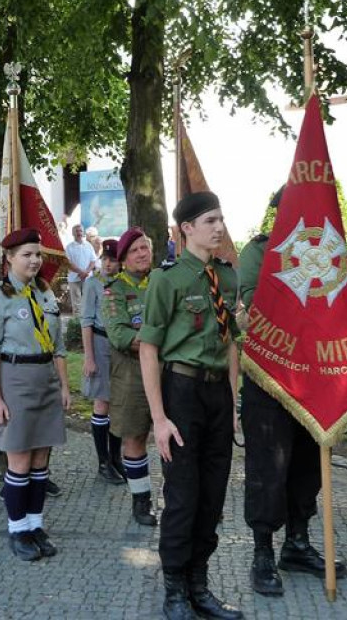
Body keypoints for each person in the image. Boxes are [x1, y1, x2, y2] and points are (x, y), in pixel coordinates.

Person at [139, 192, 243, 620]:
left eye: (221, 219)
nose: (219, 227)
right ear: (186, 229)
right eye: (210, 220)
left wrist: (234, 403)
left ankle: (200, 584)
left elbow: (230, 341)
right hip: (181, 392)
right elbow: (149, 349)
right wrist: (160, 419)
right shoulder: (167, 280)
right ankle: (175, 589)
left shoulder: (227, 277)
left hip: (218, 395)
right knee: (183, 495)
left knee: (213, 494)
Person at [238, 187, 346, 597]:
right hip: (270, 377)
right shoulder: (259, 252)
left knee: (307, 466)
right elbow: (255, 304)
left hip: (315, 378)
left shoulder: (333, 253)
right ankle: (263, 552)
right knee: (268, 469)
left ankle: (297, 544)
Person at [0, 228, 69, 562]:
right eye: (26, 255)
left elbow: (58, 346)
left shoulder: (45, 293)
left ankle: (35, 525)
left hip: (45, 379)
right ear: (9, 259)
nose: (34, 260)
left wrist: (63, 385)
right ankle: (17, 529)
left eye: (37, 254)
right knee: (19, 461)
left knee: (40, 461)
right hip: (14, 380)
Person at [104, 227, 159, 526]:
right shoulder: (115, 291)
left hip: (167, 375)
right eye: (135, 250)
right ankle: (141, 501)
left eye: (146, 247)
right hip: (131, 377)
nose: (142, 254)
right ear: (123, 258)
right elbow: (120, 334)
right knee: (135, 438)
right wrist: (161, 339)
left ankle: (179, 498)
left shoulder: (162, 283)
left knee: (174, 437)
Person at [81, 238, 124, 485]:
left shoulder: (123, 283)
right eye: (105, 259)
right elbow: (86, 320)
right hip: (99, 342)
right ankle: (102, 462)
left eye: (113, 259)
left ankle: (116, 458)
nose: (108, 264)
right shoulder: (92, 283)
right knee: (102, 404)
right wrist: (89, 357)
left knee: (118, 404)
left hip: (120, 346)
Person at [65, 223, 95, 315]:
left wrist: (86, 272)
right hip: (74, 279)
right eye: (76, 231)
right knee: (77, 305)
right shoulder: (69, 247)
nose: (79, 233)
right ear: (73, 233)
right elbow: (68, 263)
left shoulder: (89, 245)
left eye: (80, 230)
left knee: (89, 302)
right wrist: (81, 272)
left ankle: (89, 324)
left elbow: (93, 261)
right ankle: (77, 326)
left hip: (87, 278)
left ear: (83, 232)